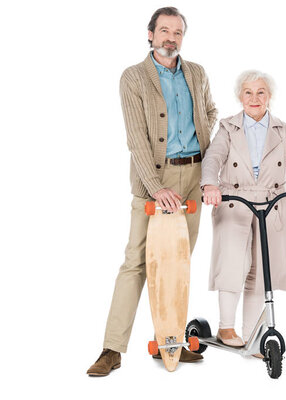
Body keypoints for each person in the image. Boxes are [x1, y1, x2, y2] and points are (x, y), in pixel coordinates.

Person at [87, 7, 217, 376]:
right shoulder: (133, 77)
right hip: (154, 180)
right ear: (150, 34)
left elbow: (210, 111)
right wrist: (155, 187)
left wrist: (209, 172)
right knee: (137, 262)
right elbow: (136, 139)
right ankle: (112, 349)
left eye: (177, 32)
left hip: (193, 175)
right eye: (164, 31)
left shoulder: (197, 72)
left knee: (178, 265)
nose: (170, 38)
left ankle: (169, 341)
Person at [201, 70, 286, 348]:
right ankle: (226, 328)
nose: (254, 98)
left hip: (271, 203)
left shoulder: (282, 130)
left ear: (270, 96)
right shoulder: (228, 127)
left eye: (261, 92)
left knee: (262, 270)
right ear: (240, 97)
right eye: (248, 92)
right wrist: (209, 185)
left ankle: (252, 333)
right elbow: (213, 159)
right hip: (233, 201)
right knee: (233, 264)